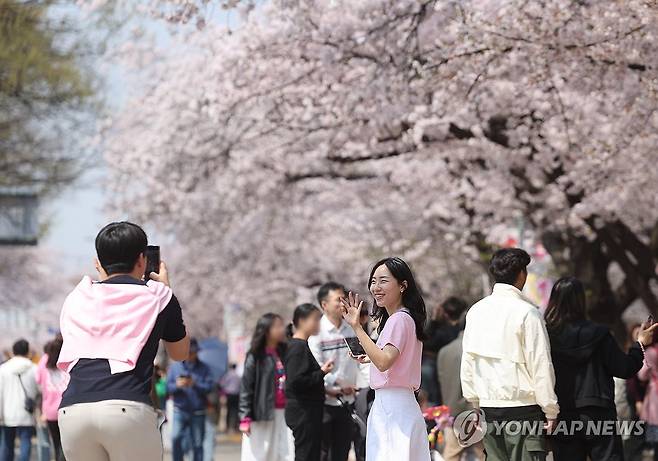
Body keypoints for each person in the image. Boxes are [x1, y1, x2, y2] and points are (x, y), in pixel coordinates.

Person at [56, 221, 190, 461]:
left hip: (72, 410)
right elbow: (180, 353)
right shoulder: (159, 296)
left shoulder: (77, 297)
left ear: (98, 262)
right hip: (127, 408)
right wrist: (167, 290)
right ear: (142, 260)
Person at [461, 248, 558, 461]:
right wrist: (550, 409)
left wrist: (474, 403)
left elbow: (468, 360)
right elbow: (540, 363)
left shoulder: (476, 311)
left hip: (488, 407)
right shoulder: (528, 312)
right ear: (522, 274)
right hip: (523, 409)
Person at [546, 277, 657, 460]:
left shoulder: (546, 337)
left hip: (563, 414)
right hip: (599, 413)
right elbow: (624, 368)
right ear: (581, 301)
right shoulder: (600, 334)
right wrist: (640, 345)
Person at [341, 256, 431, 461]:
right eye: (373, 281)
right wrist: (370, 356)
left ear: (403, 285)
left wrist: (356, 327)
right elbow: (389, 360)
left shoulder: (398, 320)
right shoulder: (406, 318)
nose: (376, 287)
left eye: (383, 280)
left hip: (392, 409)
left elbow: (384, 362)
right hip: (402, 406)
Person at [308, 282, 359, 461]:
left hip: (348, 401)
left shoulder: (351, 328)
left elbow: (358, 362)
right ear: (324, 305)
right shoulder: (316, 332)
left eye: (343, 299)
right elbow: (315, 367)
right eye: (338, 300)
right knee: (322, 453)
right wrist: (331, 387)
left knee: (342, 452)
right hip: (324, 402)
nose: (342, 303)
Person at [239, 313, 293, 461]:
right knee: (260, 455)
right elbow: (246, 387)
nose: (281, 329)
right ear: (266, 330)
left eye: (282, 326)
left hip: (285, 412)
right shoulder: (255, 356)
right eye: (277, 326)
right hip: (262, 414)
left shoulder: (285, 352)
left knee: (285, 454)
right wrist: (245, 417)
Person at [284, 303, 335, 461]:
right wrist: (321, 373)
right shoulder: (297, 347)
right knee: (306, 454)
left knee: (311, 453)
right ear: (302, 320)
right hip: (303, 411)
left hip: (307, 410)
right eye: (315, 319)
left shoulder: (299, 345)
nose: (318, 324)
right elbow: (296, 381)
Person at [437, 302, 485, 461]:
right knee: (485, 455)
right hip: (477, 411)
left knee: (451, 454)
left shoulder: (444, 351)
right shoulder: (479, 349)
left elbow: (442, 382)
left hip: (453, 413)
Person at [167, 338, 214, 461]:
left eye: (193, 352)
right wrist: (177, 385)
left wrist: (195, 383)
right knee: (176, 438)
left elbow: (209, 388)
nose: (191, 355)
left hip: (198, 411)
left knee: (197, 443)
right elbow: (168, 388)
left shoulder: (205, 368)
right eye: (188, 352)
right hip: (179, 410)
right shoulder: (175, 367)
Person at [421, 297, 466, 405]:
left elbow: (425, 343)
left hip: (438, 367)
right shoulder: (463, 328)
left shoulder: (440, 330)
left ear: (445, 313)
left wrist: (434, 321)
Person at [0, 339, 38, 461]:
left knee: (6, 444)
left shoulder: (3, 369)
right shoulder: (34, 368)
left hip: (7, 413)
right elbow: (39, 390)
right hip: (26, 412)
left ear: (13, 351)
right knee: (25, 442)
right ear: (27, 351)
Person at [35, 335, 69, 461]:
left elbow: (37, 379)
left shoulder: (44, 359)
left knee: (56, 443)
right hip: (67, 408)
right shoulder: (68, 358)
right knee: (67, 446)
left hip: (49, 410)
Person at [219, 364, 241, 433]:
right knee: (235, 411)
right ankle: (234, 426)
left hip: (229, 395)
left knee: (228, 410)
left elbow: (222, 384)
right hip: (237, 395)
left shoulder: (228, 375)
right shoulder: (238, 375)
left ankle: (228, 426)